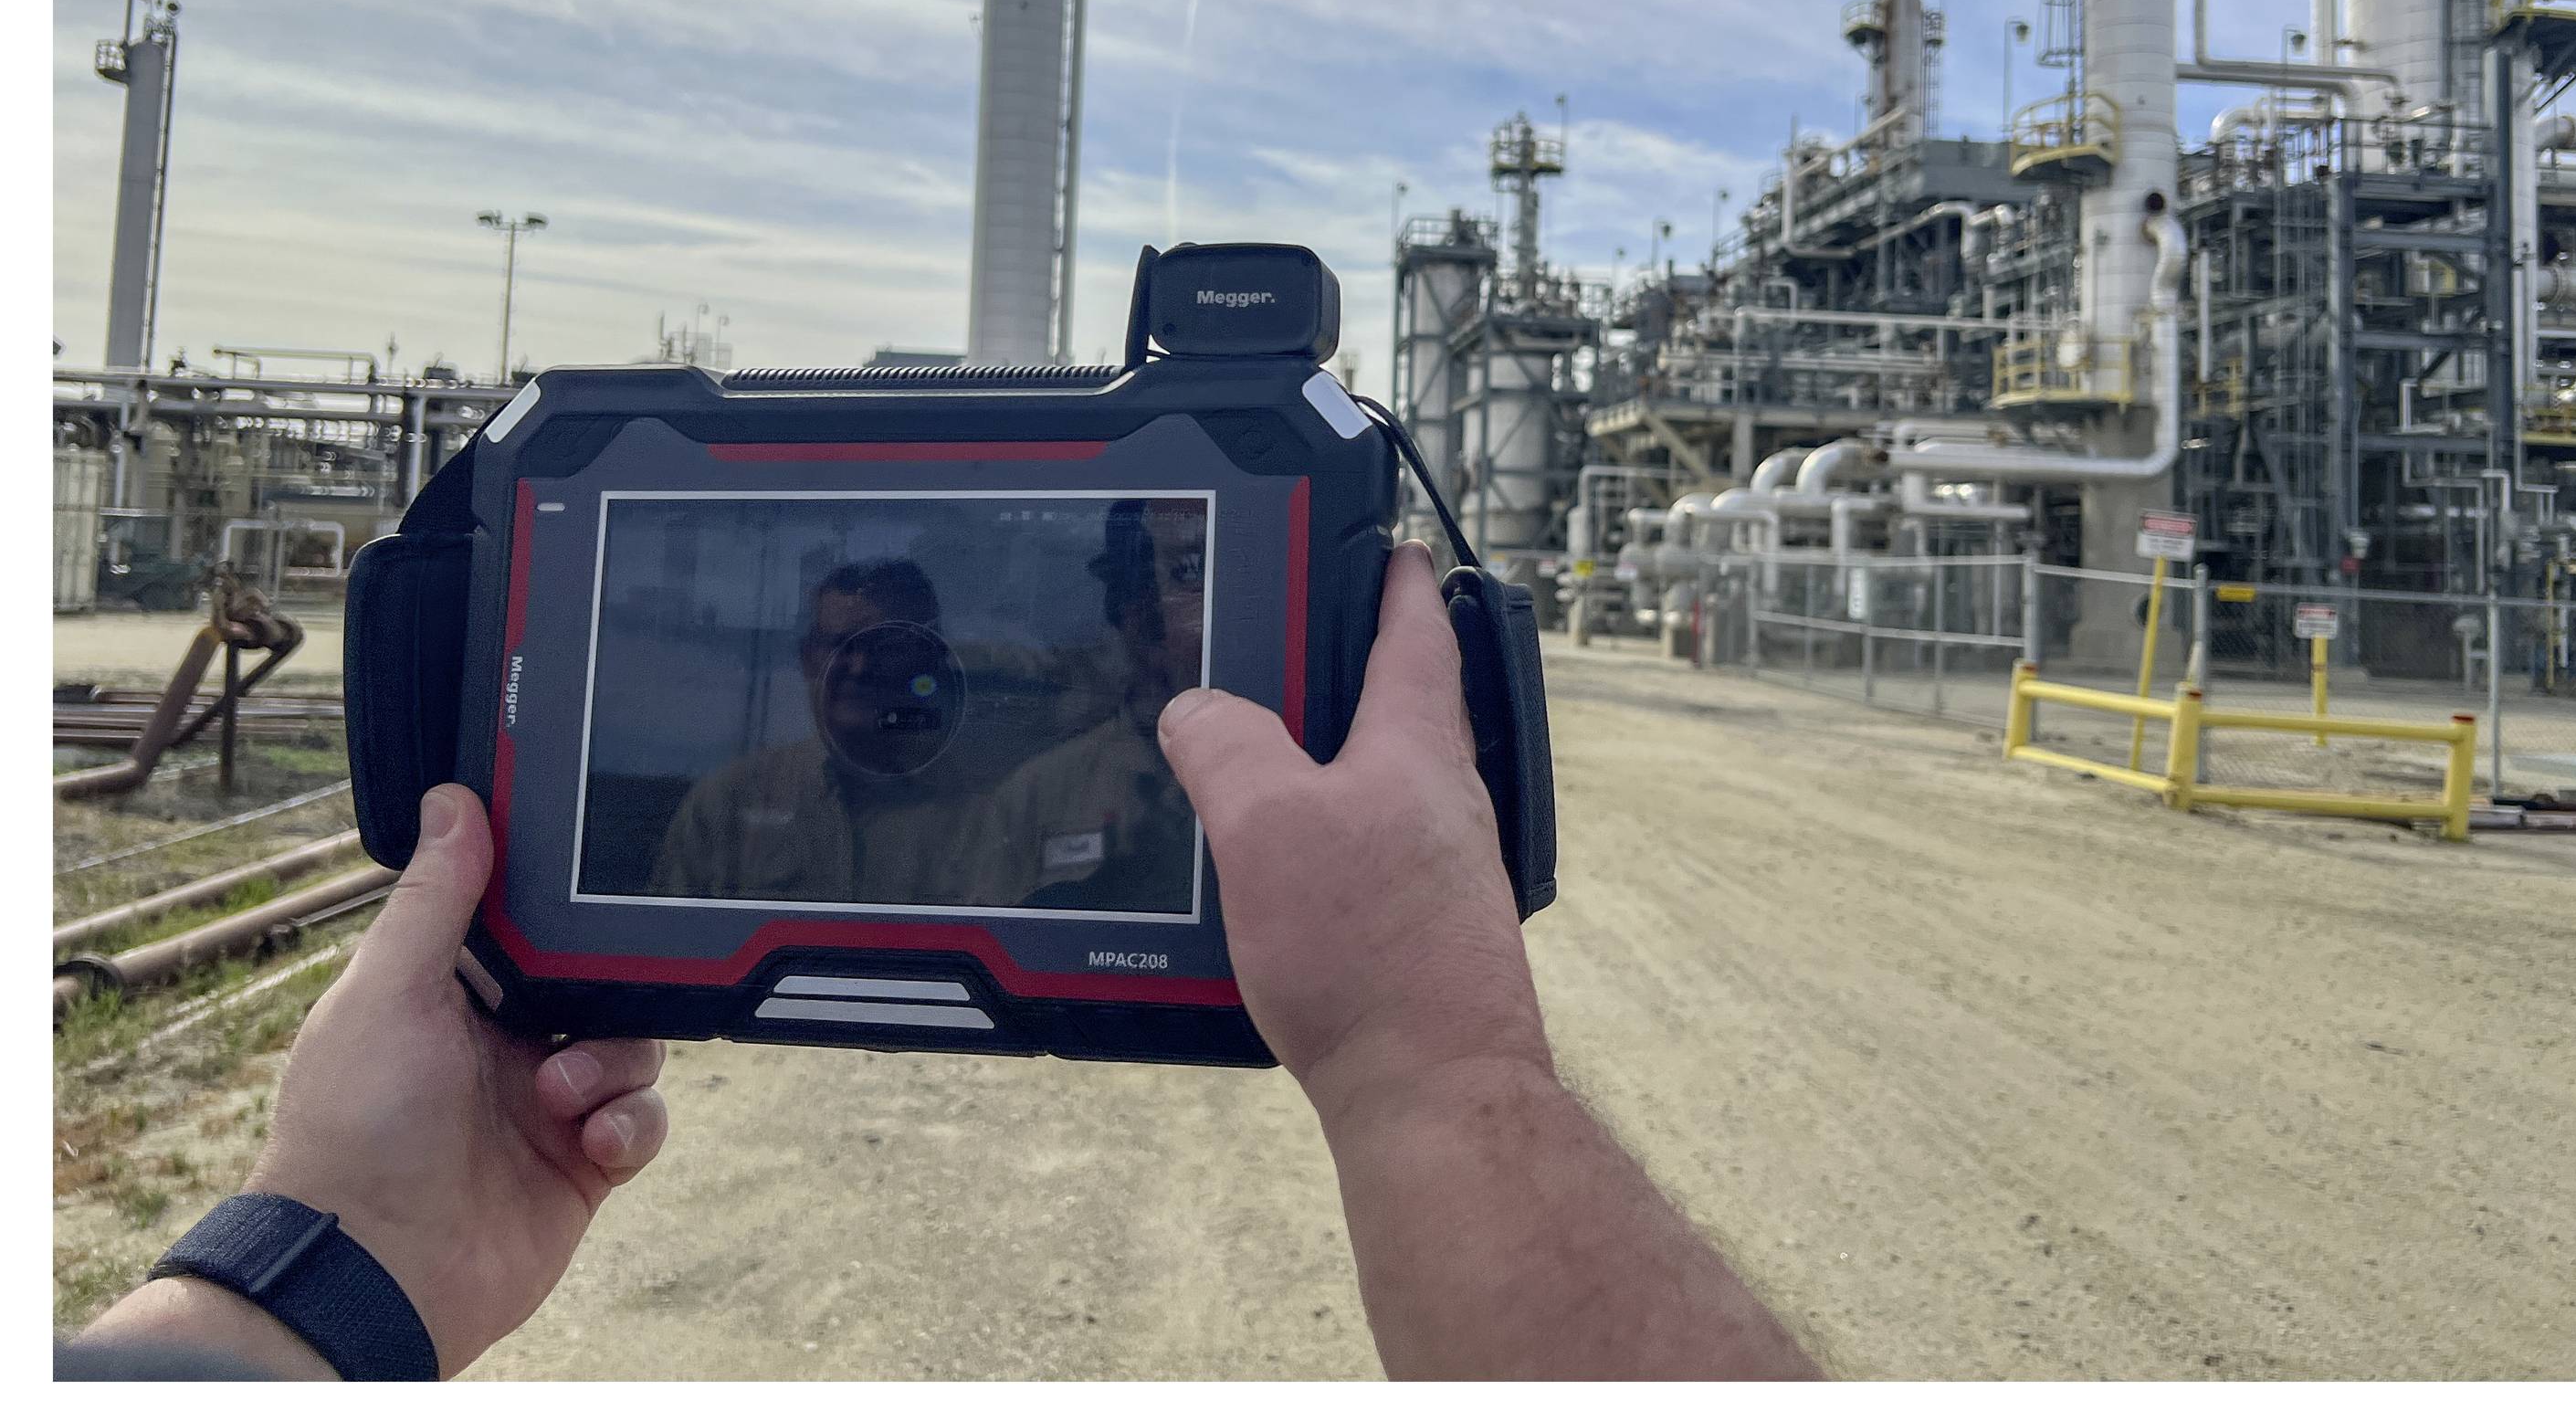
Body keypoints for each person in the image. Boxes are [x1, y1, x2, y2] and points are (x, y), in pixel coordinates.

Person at [67, 542, 1818, 1382]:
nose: (871, 680)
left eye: (903, 649)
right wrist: (1443, 1070)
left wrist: (326, 1258)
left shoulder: (1059, 797)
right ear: (805, 663)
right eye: (838, 650)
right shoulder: (736, 809)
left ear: (946, 660)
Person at [645, 528, 1197, 911]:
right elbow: (663, 956)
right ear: (807, 658)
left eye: (882, 646)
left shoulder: (1006, 806)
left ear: (928, 658)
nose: (856, 667)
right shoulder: (725, 805)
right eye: (837, 645)